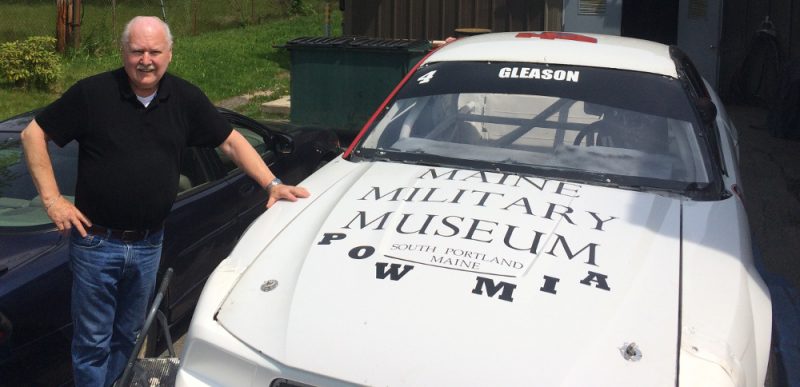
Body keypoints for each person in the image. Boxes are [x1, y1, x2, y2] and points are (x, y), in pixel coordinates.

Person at [19, 16, 309, 387]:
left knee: (130, 336)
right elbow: (33, 134)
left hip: (148, 244)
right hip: (96, 243)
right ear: (123, 52)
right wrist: (52, 200)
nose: (146, 60)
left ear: (169, 54)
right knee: (92, 343)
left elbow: (232, 141)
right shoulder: (93, 94)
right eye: (137, 50)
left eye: (155, 51)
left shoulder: (185, 98)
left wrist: (272, 184)